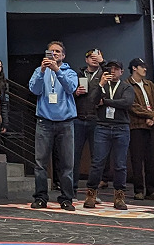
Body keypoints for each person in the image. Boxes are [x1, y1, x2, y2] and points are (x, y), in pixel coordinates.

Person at [28, 40, 79, 211]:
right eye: (51, 51)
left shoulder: (70, 72)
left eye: (58, 51)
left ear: (63, 55)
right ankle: (40, 197)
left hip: (65, 123)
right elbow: (34, 90)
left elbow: (71, 88)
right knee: (40, 163)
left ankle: (66, 198)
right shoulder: (39, 71)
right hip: (44, 121)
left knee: (66, 164)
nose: (54, 54)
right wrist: (43, 71)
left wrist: (57, 70)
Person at [85, 59, 135, 210]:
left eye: (116, 69)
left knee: (120, 164)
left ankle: (119, 196)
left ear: (122, 72)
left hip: (121, 127)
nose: (113, 71)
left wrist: (105, 101)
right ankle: (91, 194)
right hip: (102, 126)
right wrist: (100, 84)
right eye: (110, 69)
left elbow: (126, 103)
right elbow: (91, 101)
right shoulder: (101, 85)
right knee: (97, 163)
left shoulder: (126, 87)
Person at [127, 58, 154, 201]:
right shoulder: (127, 85)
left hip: (153, 125)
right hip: (136, 126)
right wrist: (150, 115)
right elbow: (132, 105)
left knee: (153, 159)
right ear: (134, 68)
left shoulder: (150, 84)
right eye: (142, 67)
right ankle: (139, 190)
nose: (145, 69)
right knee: (137, 159)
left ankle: (152, 190)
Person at [73, 48, 104, 190]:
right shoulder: (78, 74)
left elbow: (112, 81)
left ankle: (93, 190)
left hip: (96, 119)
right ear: (86, 60)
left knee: (97, 157)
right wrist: (75, 93)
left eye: (97, 57)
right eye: (92, 57)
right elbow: (67, 93)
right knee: (74, 156)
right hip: (78, 118)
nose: (94, 59)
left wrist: (103, 63)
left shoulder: (104, 74)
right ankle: (72, 189)